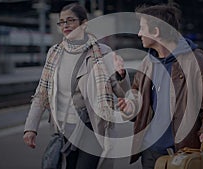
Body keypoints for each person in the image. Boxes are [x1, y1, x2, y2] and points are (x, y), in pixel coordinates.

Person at [117, 4, 203, 169]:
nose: (139, 33)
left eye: (142, 28)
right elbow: (138, 100)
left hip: (183, 153)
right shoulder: (147, 63)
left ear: (156, 32)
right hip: (150, 152)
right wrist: (130, 107)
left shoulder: (197, 63)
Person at [23, 3, 129, 169]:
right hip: (64, 129)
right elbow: (42, 92)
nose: (65, 25)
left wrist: (121, 74)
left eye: (70, 20)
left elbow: (122, 92)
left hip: (92, 127)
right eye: (61, 22)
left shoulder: (103, 52)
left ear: (84, 23)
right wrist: (31, 128)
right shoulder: (54, 53)